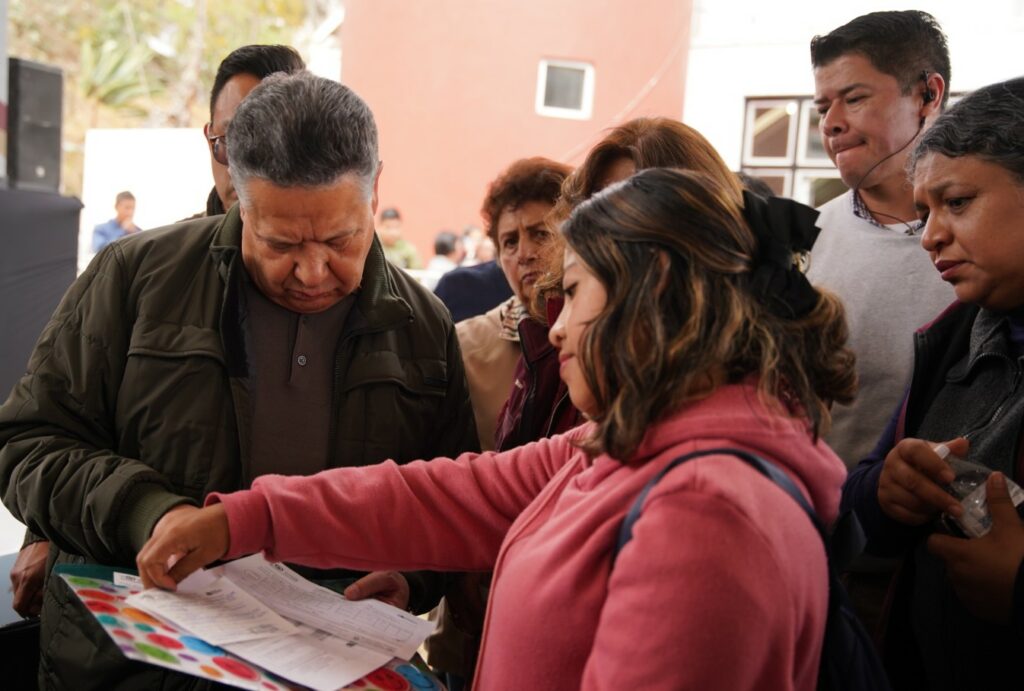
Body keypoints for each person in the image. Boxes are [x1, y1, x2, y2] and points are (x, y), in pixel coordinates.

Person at [138, 167, 855, 690]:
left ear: (655, 291)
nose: (558, 323)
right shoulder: (621, 448)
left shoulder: (706, 512)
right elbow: (443, 495)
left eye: (573, 292)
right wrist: (247, 517)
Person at [0, 71, 476, 689]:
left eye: (341, 239)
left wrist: (414, 579)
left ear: (375, 188)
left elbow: (448, 503)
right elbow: (27, 443)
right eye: (281, 242)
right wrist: (148, 513)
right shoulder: (137, 279)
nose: (312, 271)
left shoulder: (422, 326)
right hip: (130, 670)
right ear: (238, 200)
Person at [10, 42, 307, 623]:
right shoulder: (136, 272)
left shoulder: (396, 310)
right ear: (209, 141)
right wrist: (44, 531)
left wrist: (411, 575)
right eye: (232, 144)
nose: (247, 165)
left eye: (272, 142)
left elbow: (435, 489)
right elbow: (45, 431)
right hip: (133, 637)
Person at [841, 77, 1024, 691]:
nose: (930, 237)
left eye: (958, 202)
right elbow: (864, 493)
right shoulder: (949, 337)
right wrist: (887, 489)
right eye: (924, 213)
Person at [494, 116, 745, 452]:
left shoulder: (712, 429)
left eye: (631, 210)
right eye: (596, 208)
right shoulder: (551, 329)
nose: (607, 231)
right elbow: (519, 474)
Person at [807, 10, 954, 467]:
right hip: (811, 524)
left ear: (928, 95)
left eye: (853, 98)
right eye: (821, 107)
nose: (830, 123)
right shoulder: (801, 241)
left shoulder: (994, 246)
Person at [202, 44, 306, 216]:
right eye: (232, 142)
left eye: (268, 145)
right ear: (209, 138)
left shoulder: (350, 240)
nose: (241, 167)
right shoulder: (170, 242)